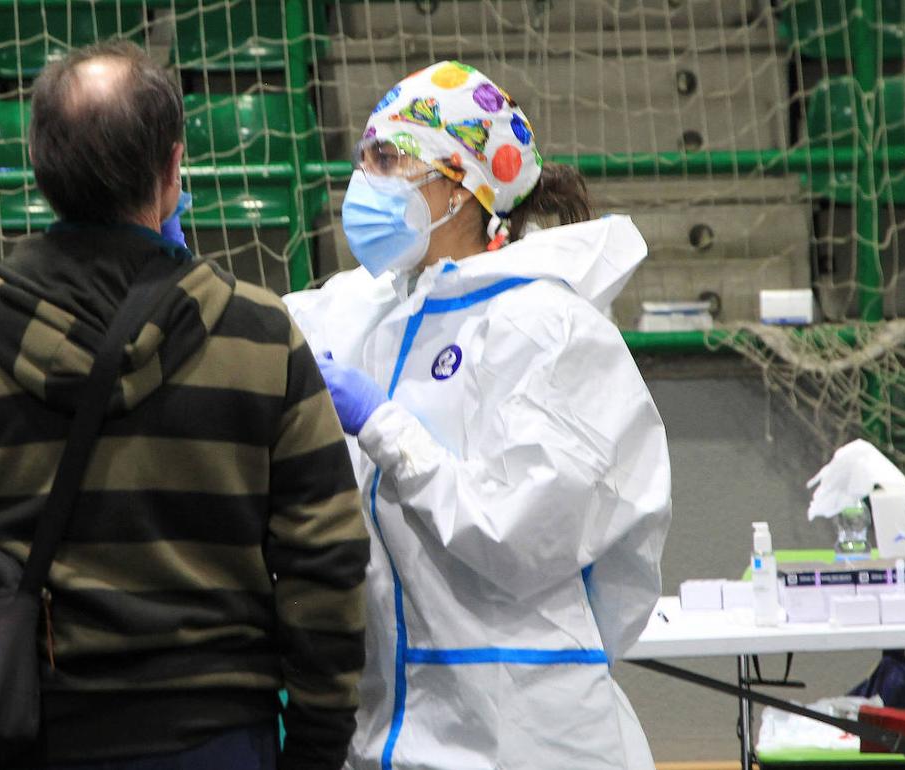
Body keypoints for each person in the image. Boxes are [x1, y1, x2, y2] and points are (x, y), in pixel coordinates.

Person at [0, 41, 369, 770]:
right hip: (217, 741)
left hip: (17, 733)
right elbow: (326, 561)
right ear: (172, 169)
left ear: (40, 169)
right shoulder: (259, 337)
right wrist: (317, 747)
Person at [283, 61, 671, 770]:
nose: (363, 178)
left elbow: (523, 534)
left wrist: (387, 428)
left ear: (458, 188)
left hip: (523, 735)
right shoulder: (369, 309)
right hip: (391, 733)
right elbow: (245, 340)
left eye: (388, 158)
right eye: (363, 155)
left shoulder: (546, 329)